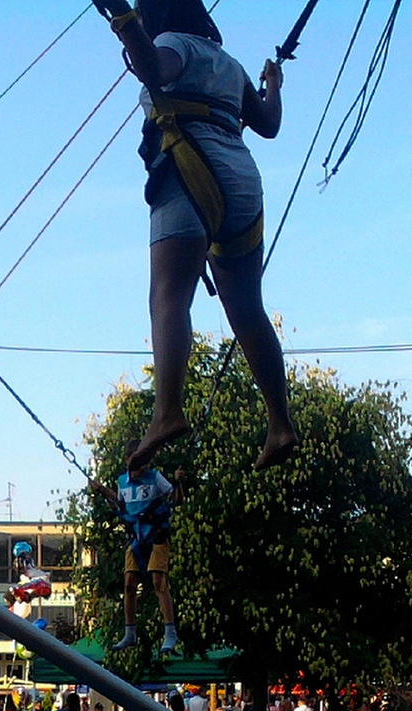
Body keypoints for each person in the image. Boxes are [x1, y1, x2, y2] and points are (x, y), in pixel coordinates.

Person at [91, 0, 297, 472]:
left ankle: (167, 412)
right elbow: (268, 124)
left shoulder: (170, 44)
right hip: (243, 182)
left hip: (188, 168)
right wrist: (274, 86)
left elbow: (151, 70)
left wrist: (122, 19)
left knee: (168, 296)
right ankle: (280, 422)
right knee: (246, 307)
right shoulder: (230, 64)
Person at [98, 457, 186, 653]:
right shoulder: (122, 482)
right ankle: (130, 632)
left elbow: (176, 500)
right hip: (136, 538)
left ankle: (170, 632)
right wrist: (103, 491)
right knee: (129, 583)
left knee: (158, 581)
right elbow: (122, 505)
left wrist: (178, 481)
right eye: (141, 466)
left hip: (156, 534)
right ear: (131, 465)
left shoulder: (155, 477)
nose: (145, 468)